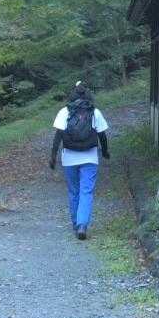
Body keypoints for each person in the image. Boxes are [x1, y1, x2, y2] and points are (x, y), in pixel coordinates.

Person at [50, 82, 109, 239]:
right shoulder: (94, 112)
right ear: (88, 96)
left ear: (72, 96)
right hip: (90, 157)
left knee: (74, 191)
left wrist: (53, 157)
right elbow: (102, 135)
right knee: (86, 191)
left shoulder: (64, 112)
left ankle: (76, 223)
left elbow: (58, 136)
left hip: (69, 158)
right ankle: (83, 224)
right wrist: (105, 152)